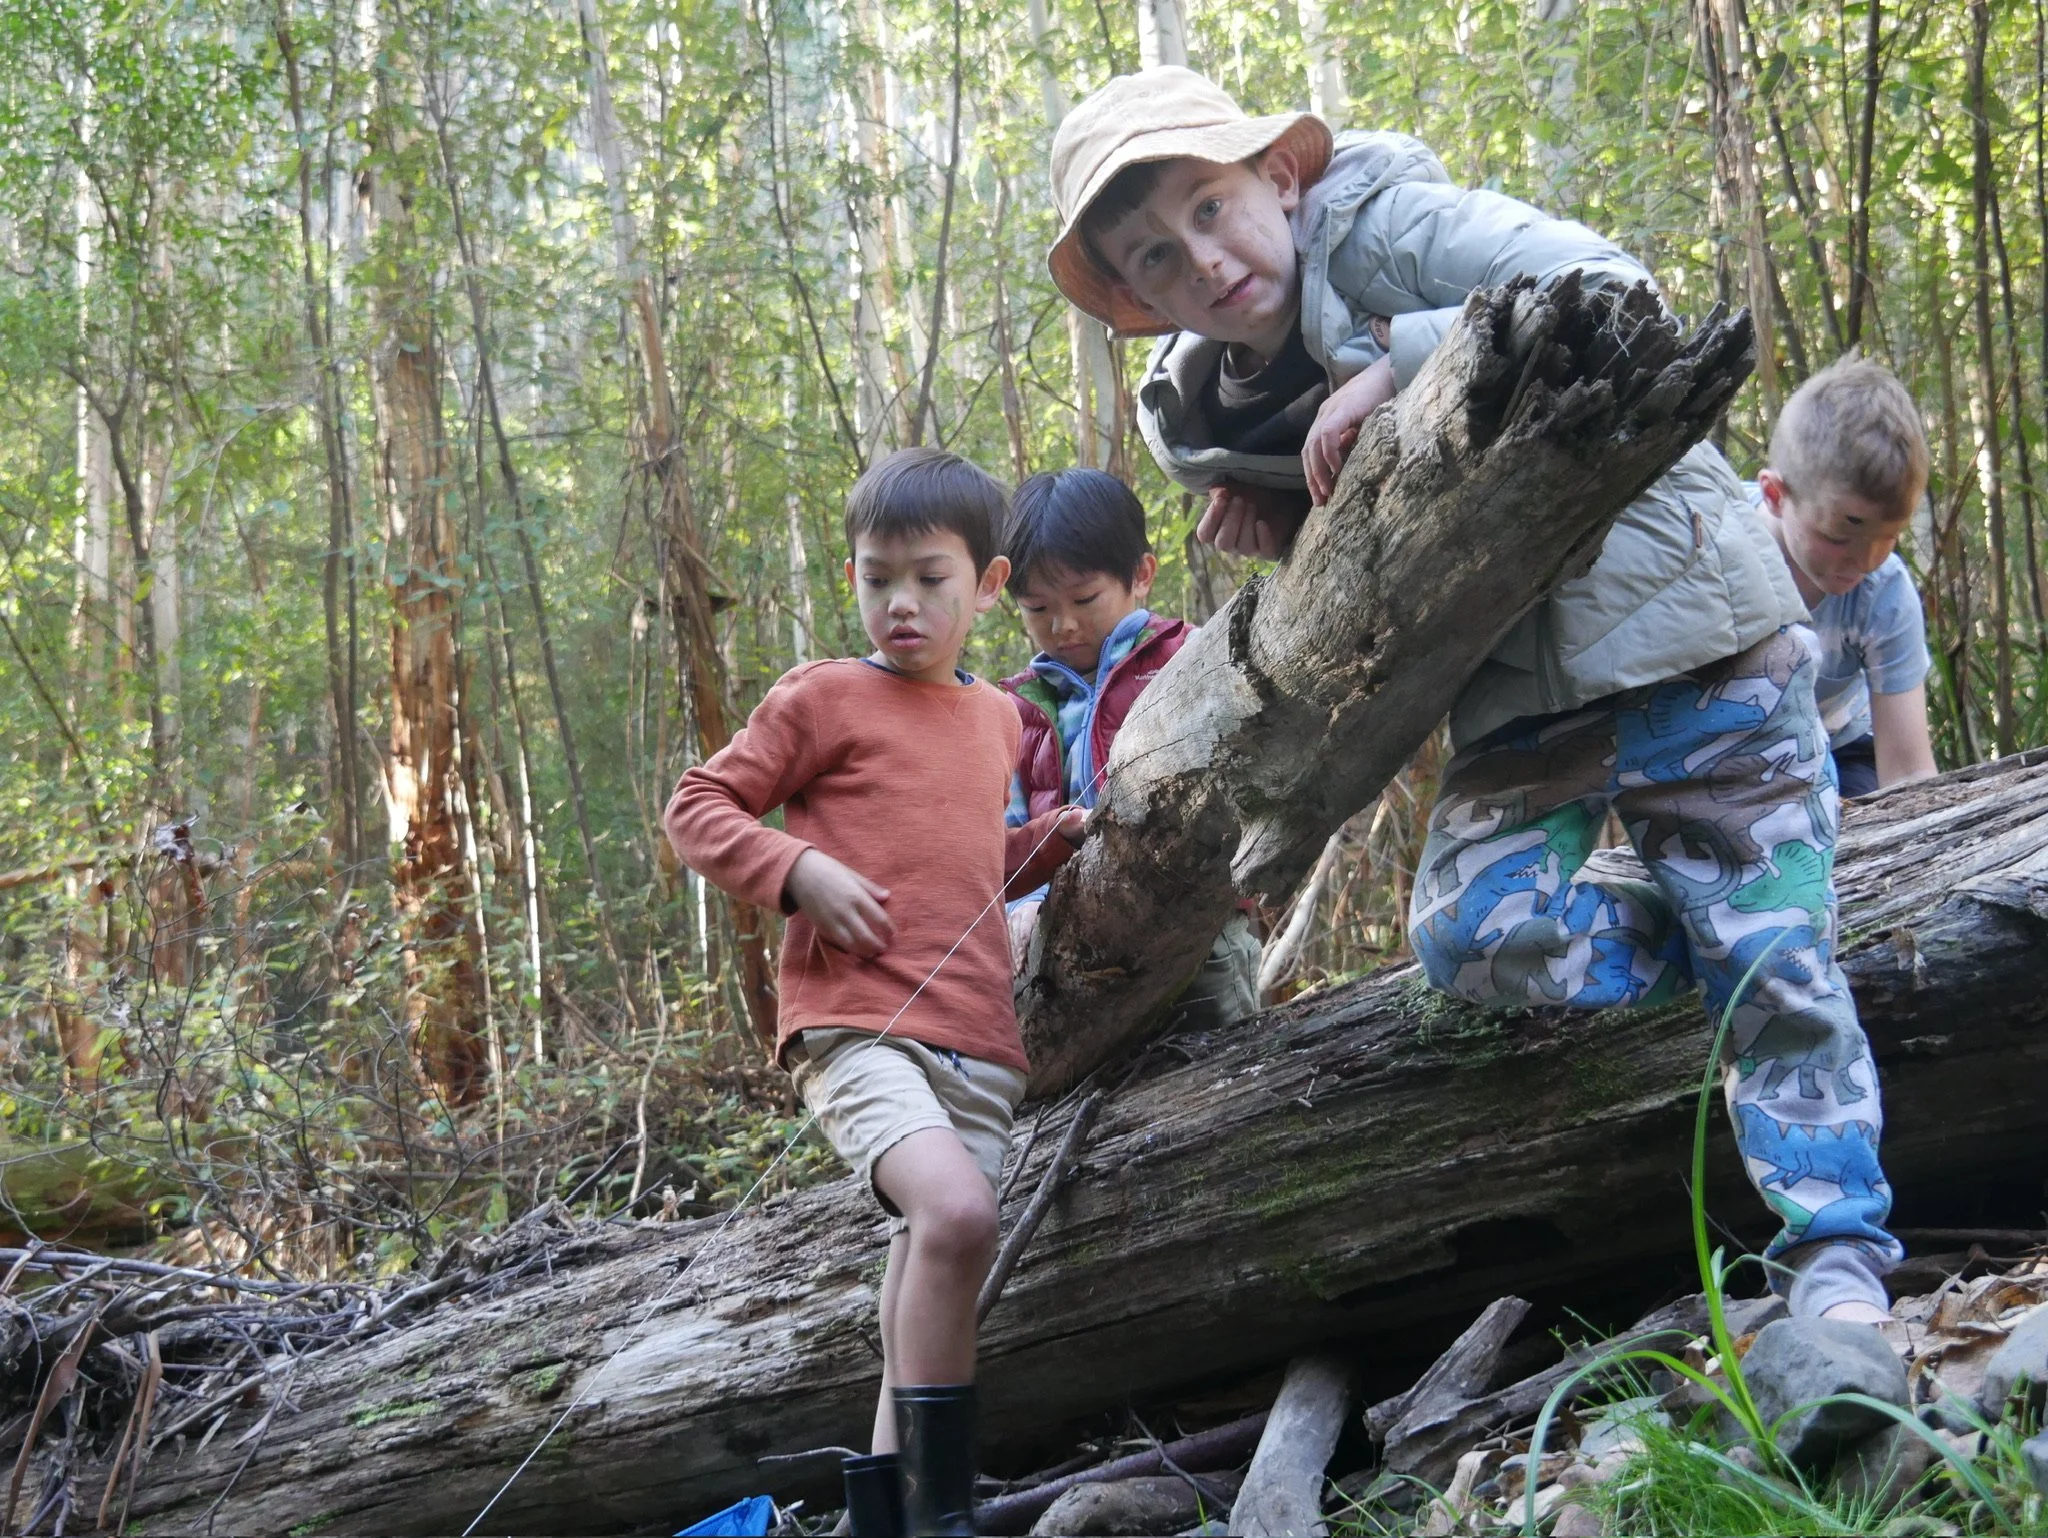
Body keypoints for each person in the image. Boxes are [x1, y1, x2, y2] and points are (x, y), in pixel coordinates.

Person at [1044, 66, 1906, 1373]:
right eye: (1154, 256)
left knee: (1779, 970)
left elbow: (1614, 288)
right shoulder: (1214, 403)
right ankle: (1737, 927)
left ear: (1276, 174)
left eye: (1210, 209)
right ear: (1134, 294)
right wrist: (1291, 520)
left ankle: (1835, 1260)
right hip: (1518, 689)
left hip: (1696, 635)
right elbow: (1416, 513)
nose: (1202, 261)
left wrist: (1401, 362)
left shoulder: (1383, 225)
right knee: (1472, 931)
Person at [666, 447, 1081, 1538]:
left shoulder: (1001, 719)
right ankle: (943, 1514)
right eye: (875, 577)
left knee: (931, 1256)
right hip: (858, 1029)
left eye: (930, 579)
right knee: (955, 1212)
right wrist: (795, 868)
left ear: (987, 586)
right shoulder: (823, 697)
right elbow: (697, 805)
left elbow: (965, 866)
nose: (901, 603)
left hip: (980, 1041)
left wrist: (1048, 842)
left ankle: (885, 1511)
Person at [997, 467, 1259, 1022]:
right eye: (1037, 608)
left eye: (1085, 598)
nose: (1063, 625)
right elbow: (1011, 834)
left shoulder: (1187, 656)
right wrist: (1024, 903)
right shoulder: (1019, 709)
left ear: (1140, 575)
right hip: (1075, 948)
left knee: (1220, 1042)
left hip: (1195, 921)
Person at [1751, 356, 1938, 796]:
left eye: (1889, 537)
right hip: (1726, 759)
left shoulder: (1883, 593)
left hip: (1841, 751)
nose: (1866, 561)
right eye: (1838, 537)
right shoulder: (1714, 548)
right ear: (1775, 495)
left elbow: (1907, 774)